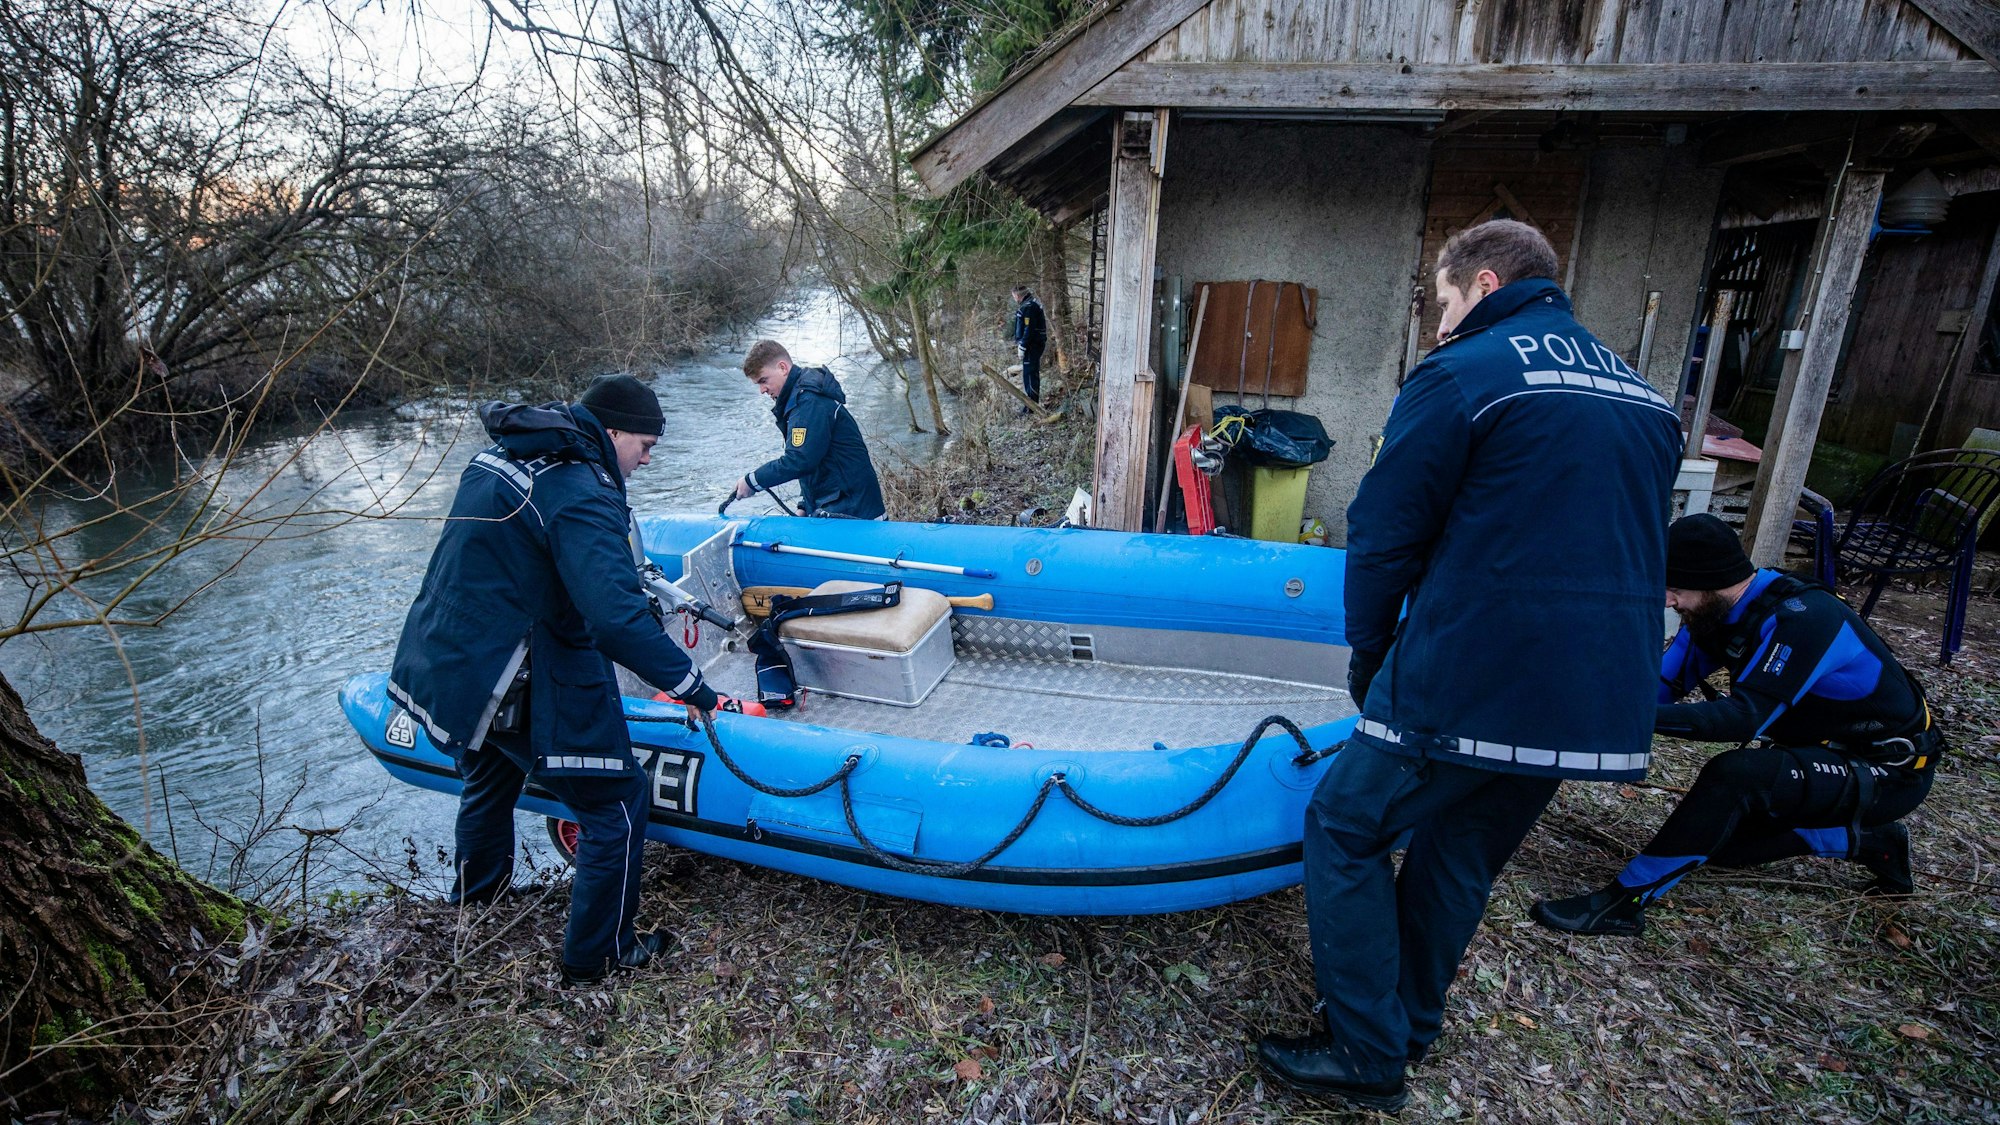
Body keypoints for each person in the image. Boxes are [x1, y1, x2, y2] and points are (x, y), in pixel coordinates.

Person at [1253, 220, 1683, 1111]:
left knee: (1346, 825)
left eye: (1443, 302)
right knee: (1461, 850)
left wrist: (1374, 656)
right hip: (1593, 691)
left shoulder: (1463, 374)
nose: (1439, 323)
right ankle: (1407, 1024)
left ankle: (1366, 1053)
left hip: (1474, 666)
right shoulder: (1644, 395)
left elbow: (1383, 530)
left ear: (1484, 285)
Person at [389, 373, 719, 986]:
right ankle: (598, 957)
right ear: (612, 432)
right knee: (617, 805)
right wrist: (690, 684)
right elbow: (614, 619)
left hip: (449, 653)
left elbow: (517, 562)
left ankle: (476, 901)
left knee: (489, 774)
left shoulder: (505, 454)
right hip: (510, 671)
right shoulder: (580, 487)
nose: (647, 460)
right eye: (645, 446)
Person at [1531, 513, 1942, 936]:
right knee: (1718, 844)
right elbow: (1655, 690)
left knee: (1736, 776)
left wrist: (1625, 716)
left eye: (1675, 589)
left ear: (1711, 582)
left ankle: (1623, 904)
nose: (1668, 601)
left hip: (1890, 773)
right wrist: (1575, 708)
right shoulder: (1715, 614)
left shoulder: (1807, 619)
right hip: (1821, 754)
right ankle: (1873, 841)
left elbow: (1742, 720)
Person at [735, 340, 886, 519]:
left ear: (782, 368)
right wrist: (805, 505)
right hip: (843, 507)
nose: (762, 390)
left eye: (763, 381)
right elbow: (816, 460)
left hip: (855, 513)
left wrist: (752, 481)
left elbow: (799, 460)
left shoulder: (809, 402)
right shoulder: (801, 398)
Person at [1011, 286, 1048, 406]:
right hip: (1032, 344)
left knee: (1030, 375)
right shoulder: (1029, 304)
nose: (1014, 299)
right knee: (1029, 374)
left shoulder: (1029, 307)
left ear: (1017, 295)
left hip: (1032, 345)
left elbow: (1029, 329)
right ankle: (1030, 405)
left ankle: (1032, 406)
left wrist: (1023, 346)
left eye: (1014, 296)